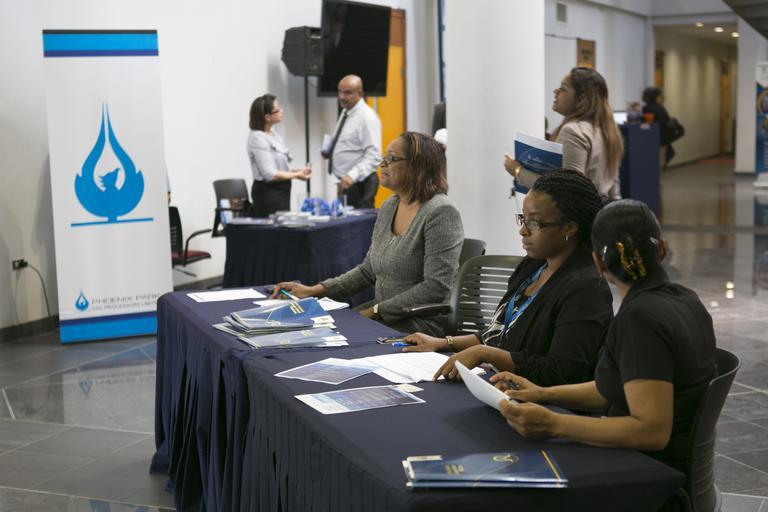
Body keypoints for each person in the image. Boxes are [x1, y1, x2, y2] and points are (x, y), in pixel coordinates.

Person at [492, 199, 716, 475]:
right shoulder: (686, 299)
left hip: (644, 473)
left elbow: (651, 432)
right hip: (663, 467)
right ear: (662, 249)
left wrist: (552, 423)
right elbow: (615, 388)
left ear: (598, 262)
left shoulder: (640, 319)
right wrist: (542, 393)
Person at [404, 170, 613, 386]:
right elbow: (499, 332)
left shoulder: (586, 289)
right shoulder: (533, 265)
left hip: (539, 400)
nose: (523, 231)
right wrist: (443, 342)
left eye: (534, 222)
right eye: (523, 219)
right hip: (499, 385)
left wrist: (485, 354)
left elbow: (562, 373)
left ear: (569, 228)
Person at [274, 132, 464, 336]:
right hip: (381, 315)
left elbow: (436, 287)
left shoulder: (440, 212)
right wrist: (314, 290)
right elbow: (367, 271)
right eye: (384, 157)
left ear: (418, 166)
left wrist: (375, 311)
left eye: (391, 158)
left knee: (333, 336)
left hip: (420, 323)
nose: (382, 164)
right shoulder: (390, 206)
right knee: (311, 329)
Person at [505, 67, 624, 200]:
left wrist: (518, 171)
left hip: (580, 212)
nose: (556, 91)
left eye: (563, 88)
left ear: (580, 100)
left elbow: (567, 191)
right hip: (601, 211)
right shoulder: (608, 132)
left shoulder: (573, 131)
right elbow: (614, 190)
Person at [323, 75, 382, 209]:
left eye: (347, 92)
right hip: (345, 183)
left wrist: (352, 175)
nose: (341, 96)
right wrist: (329, 151)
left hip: (359, 183)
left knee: (359, 222)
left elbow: (374, 156)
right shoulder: (347, 111)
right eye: (340, 91)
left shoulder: (367, 118)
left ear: (360, 94)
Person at [247, 94, 311, 217]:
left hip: (282, 191)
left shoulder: (273, 134)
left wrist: (298, 171)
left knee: (283, 225)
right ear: (267, 117)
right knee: (274, 228)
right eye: (277, 110)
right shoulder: (257, 138)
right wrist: (297, 175)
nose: (282, 111)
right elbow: (270, 174)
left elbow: (279, 167)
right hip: (268, 193)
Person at [642, 87, 674, 169]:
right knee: (660, 161)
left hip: (652, 138)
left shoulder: (646, 108)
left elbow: (646, 123)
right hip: (662, 138)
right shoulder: (660, 107)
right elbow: (667, 120)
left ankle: (656, 176)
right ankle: (658, 176)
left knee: (654, 162)